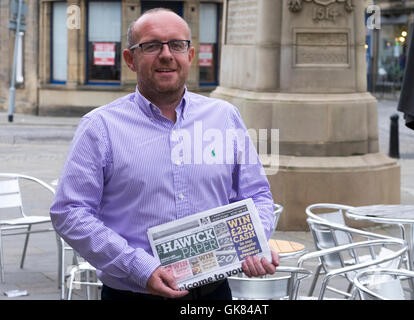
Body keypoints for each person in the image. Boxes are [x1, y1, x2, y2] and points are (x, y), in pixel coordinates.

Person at [50, 8, 279, 301]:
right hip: (134, 294)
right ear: (130, 59)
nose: (166, 54)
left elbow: (256, 194)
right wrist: (139, 267)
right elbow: (69, 212)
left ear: (190, 55)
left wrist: (252, 242)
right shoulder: (100, 127)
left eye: (176, 44)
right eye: (152, 45)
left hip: (214, 293)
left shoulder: (224, 117)